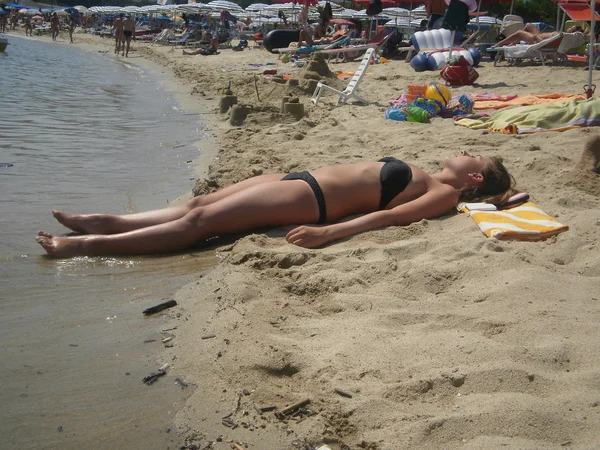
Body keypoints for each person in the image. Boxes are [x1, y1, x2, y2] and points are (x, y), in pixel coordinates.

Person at [36, 151, 517, 258]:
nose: (461, 150)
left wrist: (329, 234)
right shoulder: (433, 177)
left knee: (202, 221)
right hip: (298, 180)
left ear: (473, 176)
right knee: (200, 201)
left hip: (312, 201)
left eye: (471, 155)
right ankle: (111, 221)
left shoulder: (445, 193)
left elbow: (390, 217)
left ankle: (85, 245)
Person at [493, 23, 580, 48]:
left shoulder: (562, 35)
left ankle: (501, 43)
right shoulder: (564, 35)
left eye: (571, 28)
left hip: (537, 40)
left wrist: (536, 38)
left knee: (519, 32)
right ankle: (516, 41)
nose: (569, 28)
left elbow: (545, 42)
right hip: (540, 36)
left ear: (572, 31)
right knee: (528, 25)